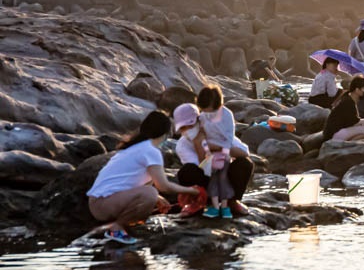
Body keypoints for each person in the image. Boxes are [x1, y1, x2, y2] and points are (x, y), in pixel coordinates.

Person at [87, 111, 200, 245]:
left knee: (151, 193)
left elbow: (130, 181)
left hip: (100, 203)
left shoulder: (136, 147)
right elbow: (163, 186)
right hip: (102, 204)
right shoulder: (150, 151)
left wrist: (158, 199)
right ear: (164, 134)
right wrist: (193, 191)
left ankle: (124, 225)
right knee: (150, 193)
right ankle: (116, 229)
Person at [173, 103, 254, 217]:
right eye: (183, 128)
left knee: (244, 163)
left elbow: (245, 153)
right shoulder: (183, 145)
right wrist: (199, 145)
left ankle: (233, 201)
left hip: (225, 179)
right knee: (186, 172)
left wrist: (218, 147)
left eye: (190, 126)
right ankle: (200, 202)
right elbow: (204, 169)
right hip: (206, 182)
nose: (187, 130)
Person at [196, 84, 236, 218]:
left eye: (209, 109)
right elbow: (201, 134)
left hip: (223, 153)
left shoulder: (226, 115)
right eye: (204, 109)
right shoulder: (203, 116)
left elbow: (229, 138)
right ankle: (215, 207)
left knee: (222, 178)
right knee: (213, 178)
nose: (207, 112)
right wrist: (207, 149)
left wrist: (220, 149)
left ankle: (224, 207)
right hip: (210, 155)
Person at [323, 76, 364, 142]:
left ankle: (349, 143)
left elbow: (351, 120)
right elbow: (354, 121)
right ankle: (347, 145)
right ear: (357, 90)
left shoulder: (347, 97)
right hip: (334, 135)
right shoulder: (348, 102)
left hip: (334, 133)